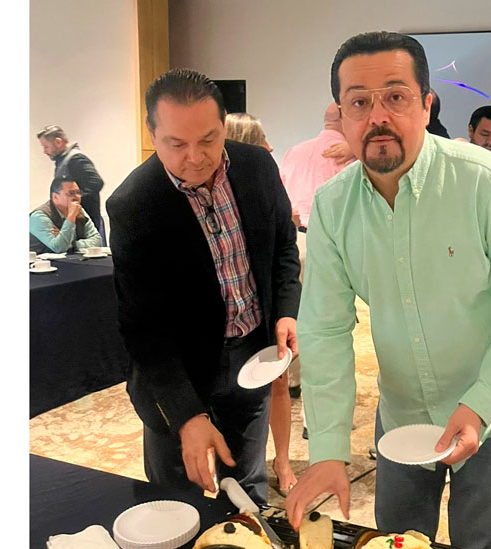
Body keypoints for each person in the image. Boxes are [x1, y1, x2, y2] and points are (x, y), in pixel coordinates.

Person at [284, 31, 491, 549]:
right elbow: (325, 328)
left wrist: (481, 402)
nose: (377, 117)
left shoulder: (487, 183)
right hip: (404, 414)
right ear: (341, 115)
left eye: (396, 96)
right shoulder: (334, 206)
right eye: (358, 102)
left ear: (427, 104)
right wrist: (329, 451)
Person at [106, 69, 302, 505]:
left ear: (224, 125)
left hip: (252, 358)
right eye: (176, 144)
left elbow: (282, 248)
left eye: (208, 139)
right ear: (152, 134)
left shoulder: (256, 167)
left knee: (247, 486)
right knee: (177, 500)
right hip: (179, 373)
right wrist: (187, 415)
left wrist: (286, 310)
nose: (195, 157)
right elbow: (143, 329)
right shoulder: (133, 205)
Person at [223, 111, 298, 493]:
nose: (269, 146)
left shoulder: (264, 172)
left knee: (278, 383)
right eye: (260, 138)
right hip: (233, 314)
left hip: (266, 302)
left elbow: (284, 236)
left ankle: (282, 460)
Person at [279, 104, 353, 230]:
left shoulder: (293, 152)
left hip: (296, 234)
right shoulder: (351, 157)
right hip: (334, 234)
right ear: (347, 120)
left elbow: (280, 196)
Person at [38, 125, 107, 242]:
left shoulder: (76, 159)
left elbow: (96, 182)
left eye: (46, 146)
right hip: (74, 222)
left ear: (58, 142)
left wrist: (73, 203)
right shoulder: (63, 161)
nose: (44, 151)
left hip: (83, 224)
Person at [29, 177, 103, 253]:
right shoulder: (39, 216)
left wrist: (72, 244)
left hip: (73, 258)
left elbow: (98, 240)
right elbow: (59, 248)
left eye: (78, 192)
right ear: (55, 197)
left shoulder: (79, 210)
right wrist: (71, 217)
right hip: (41, 259)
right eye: (71, 193)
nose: (77, 197)